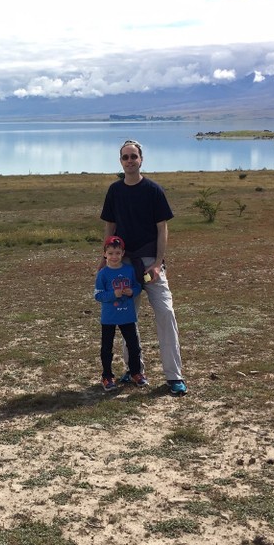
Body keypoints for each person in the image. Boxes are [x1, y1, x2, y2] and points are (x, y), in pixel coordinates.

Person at [100, 139, 187, 396]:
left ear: (141, 159)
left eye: (133, 157)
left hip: (150, 263)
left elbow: (162, 228)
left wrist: (159, 263)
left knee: (166, 314)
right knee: (127, 315)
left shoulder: (153, 190)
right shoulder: (114, 191)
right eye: (125, 157)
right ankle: (133, 369)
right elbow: (110, 226)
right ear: (120, 161)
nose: (129, 161)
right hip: (124, 264)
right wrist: (104, 258)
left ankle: (174, 376)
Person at [94, 235, 146, 391]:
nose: (114, 256)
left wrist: (132, 292)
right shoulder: (103, 273)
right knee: (107, 348)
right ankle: (107, 376)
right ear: (105, 254)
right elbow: (97, 295)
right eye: (110, 253)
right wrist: (112, 295)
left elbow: (138, 287)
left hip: (127, 316)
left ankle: (136, 373)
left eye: (117, 253)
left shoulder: (129, 270)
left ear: (123, 253)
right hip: (109, 317)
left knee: (133, 346)